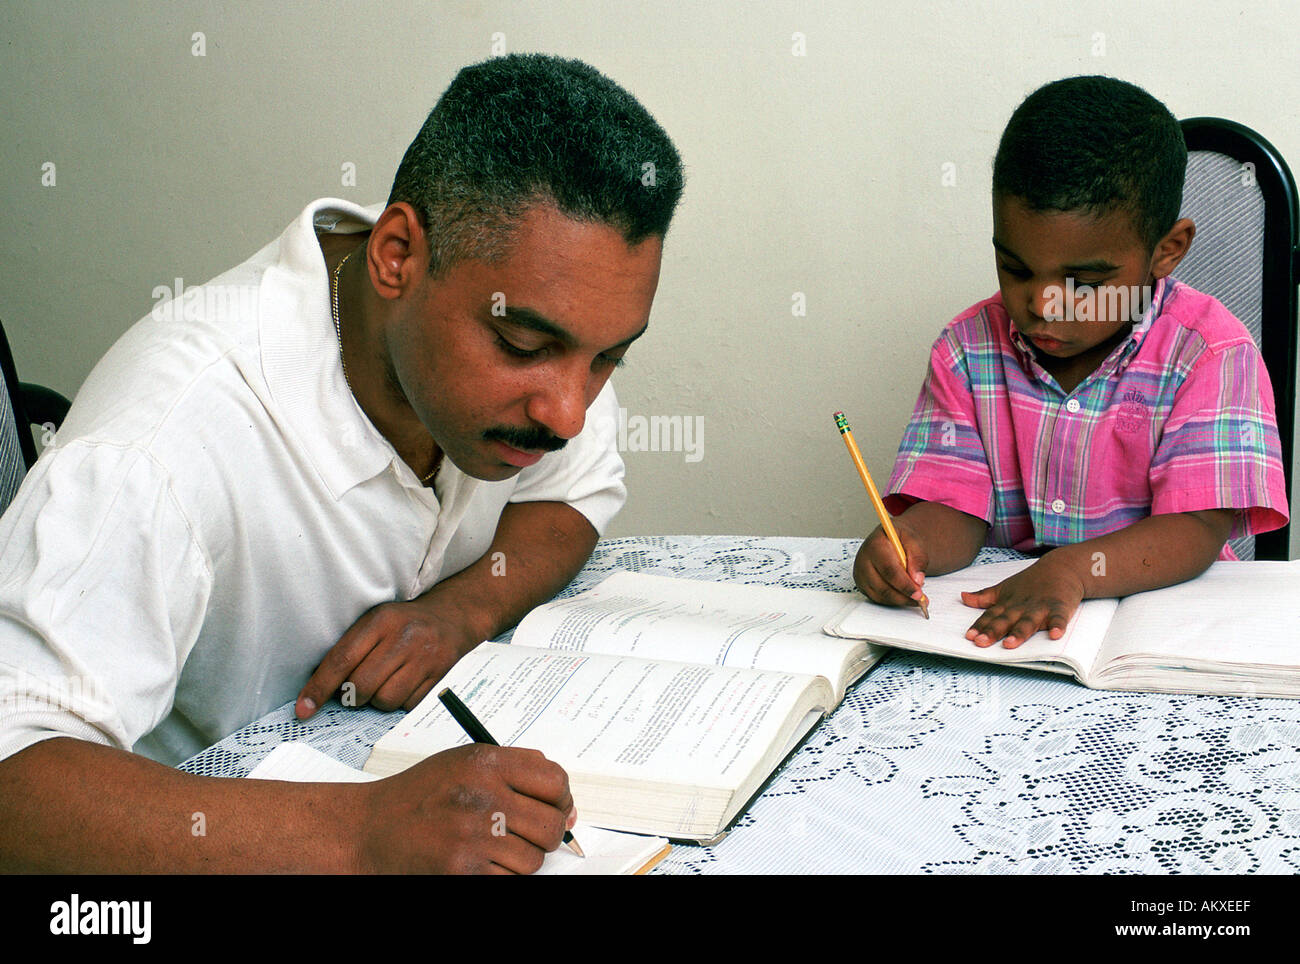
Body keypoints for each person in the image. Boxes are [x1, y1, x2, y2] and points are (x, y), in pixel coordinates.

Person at [0, 54, 683, 872]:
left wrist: (461, 609)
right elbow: (14, 779)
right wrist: (358, 834)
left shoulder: (541, 322)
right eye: (523, 346)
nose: (570, 412)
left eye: (610, 359)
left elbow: (576, 496)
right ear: (397, 255)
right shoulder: (160, 445)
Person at [854, 75, 1288, 649]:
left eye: (1083, 283)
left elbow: (1198, 528)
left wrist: (1076, 570)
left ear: (1167, 250)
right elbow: (953, 508)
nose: (1039, 304)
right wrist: (909, 543)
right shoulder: (967, 350)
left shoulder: (1210, 354)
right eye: (1015, 269)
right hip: (1017, 634)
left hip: (1168, 631)